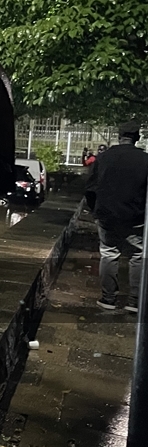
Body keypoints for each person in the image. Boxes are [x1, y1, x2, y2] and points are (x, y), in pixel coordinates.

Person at [85, 121, 147, 313]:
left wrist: (95, 210)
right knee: (137, 256)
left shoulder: (103, 158)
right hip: (136, 216)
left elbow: (90, 188)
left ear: (119, 137)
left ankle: (108, 299)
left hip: (107, 215)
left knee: (109, 253)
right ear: (137, 138)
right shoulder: (145, 160)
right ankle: (134, 302)